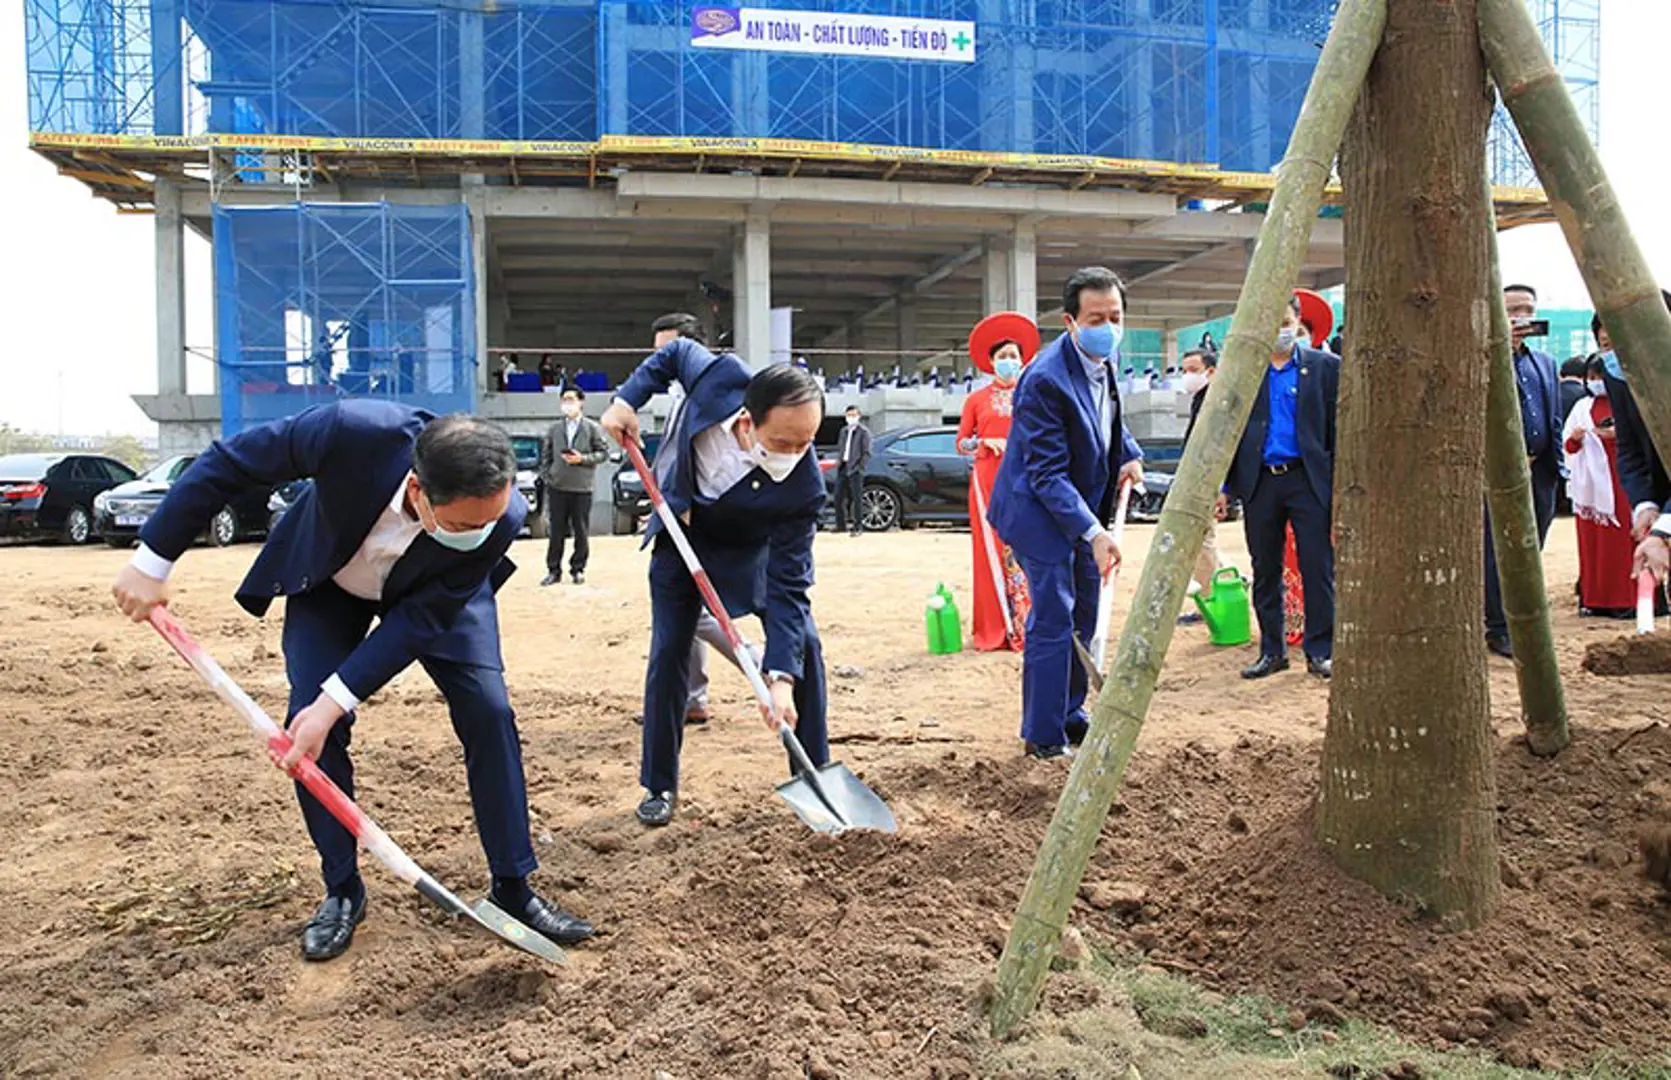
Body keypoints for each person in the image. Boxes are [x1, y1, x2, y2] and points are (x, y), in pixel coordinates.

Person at [108, 403, 594, 960]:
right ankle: (342, 890)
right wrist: (152, 562)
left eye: (490, 520)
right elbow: (229, 463)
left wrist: (337, 699)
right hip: (331, 583)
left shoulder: (499, 521)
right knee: (310, 723)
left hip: (433, 596)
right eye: (463, 524)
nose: (481, 531)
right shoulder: (352, 433)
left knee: (490, 711)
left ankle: (513, 887)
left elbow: (418, 623)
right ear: (417, 490)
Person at [602, 348, 829, 827]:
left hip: (751, 552)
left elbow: (791, 585)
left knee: (804, 643)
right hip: (681, 537)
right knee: (670, 652)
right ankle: (659, 784)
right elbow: (671, 355)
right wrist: (626, 401)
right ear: (747, 420)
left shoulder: (805, 489)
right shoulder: (720, 376)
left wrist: (781, 679)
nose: (794, 455)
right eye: (783, 442)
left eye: (806, 443)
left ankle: (814, 775)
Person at [988, 267, 1144, 760]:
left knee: (1086, 613)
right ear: (1070, 322)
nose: (1108, 326)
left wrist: (1129, 453)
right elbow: (1046, 474)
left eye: (1115, 316)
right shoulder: (1045, 380)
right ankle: (1043, 735)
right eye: (1096, 317)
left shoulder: (1104, 359)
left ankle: (1071, 713)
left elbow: (1107, 419)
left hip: (1081, 508)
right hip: (1039, 514)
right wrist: (1093, 532)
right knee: (1054, 618)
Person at [1224, 292, 1340, 680]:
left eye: (1286, 322)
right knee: (1265, 568)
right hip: (1261, 483)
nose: (1279, 331)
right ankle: (1272, 651)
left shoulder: (1325, 368)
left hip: (1307, 480)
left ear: (1297, 322)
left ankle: (1320, 649)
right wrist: (1227, 487)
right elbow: (1228, 433)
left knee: (1317, 566)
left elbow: (1337, 429)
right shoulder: (1245, 372)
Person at [1484, 285, 1562, 658]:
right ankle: (1498, 627)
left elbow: (1553, 416)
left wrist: (1556, 467)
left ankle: (1525, 619)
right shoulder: (1482, 359)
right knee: (1497, 552)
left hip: (1539, 472)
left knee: (1533, 548)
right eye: (1512, 310)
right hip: (1496, 478)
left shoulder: (1544, 363)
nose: (1521, 317)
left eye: (1527, 309)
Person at [958, 312, 1040, 652]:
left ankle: (1027, 622)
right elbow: (962, 441)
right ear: (990, 363)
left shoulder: (1034, 394)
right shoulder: (976, 400)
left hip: (1026, 477)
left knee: (1029, 547)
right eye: (1002, 356)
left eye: (1014, 356)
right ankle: (996, 628)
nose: (1009, 361)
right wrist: (983, 443)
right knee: (991, 548)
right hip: (988, 480)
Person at [1563, 356, 1636, 615]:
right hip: (1590, 491)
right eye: (1591, 378)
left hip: (1624, 484)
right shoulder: (1582, 407)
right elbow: (1568, 447)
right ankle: (1594, 599)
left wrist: (1619, 435)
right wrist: (1577, 439)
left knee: (1626, 544)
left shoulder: (1630, 402)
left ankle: (1627, 600)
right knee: (1593, 547)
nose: (1597, 383)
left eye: (1600, 377)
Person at [539, 387, 610, 587]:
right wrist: (548, 476)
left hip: (582, 487)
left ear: (581, 402)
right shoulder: (554, 429)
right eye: (564, 400)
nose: (567, 404)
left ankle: (578, 568)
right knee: (556, 530)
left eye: (571, 399)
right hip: (557, 486)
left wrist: (582, 459)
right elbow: (546, 456)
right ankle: (553, 570)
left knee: (580, 529)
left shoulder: (592, 428)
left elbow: (603, 453)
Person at [1177, 348, 1223, 609]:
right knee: (1203, 541)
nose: (1187, 376)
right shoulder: (1199, 399)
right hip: (1196, 477)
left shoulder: (1216, 401)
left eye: (1193, 370)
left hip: (1205, 479)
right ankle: (1224, 586)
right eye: (1184, 371)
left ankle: (1211, 598)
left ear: (1211, 372)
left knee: (1201, 540)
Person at [833, 405, 872, 535]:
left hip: (855, 468)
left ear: (859, 416)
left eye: (854, 415)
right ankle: (841, 525)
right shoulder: (843, 431)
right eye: (849, 415)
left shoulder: (864, 432)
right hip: (843, 467)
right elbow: (841, 448)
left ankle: (858, 527)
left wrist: (860, 467)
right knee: (838, 497)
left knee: (856, 498)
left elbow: (867, 452)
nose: (851, 418)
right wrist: (838, 461)